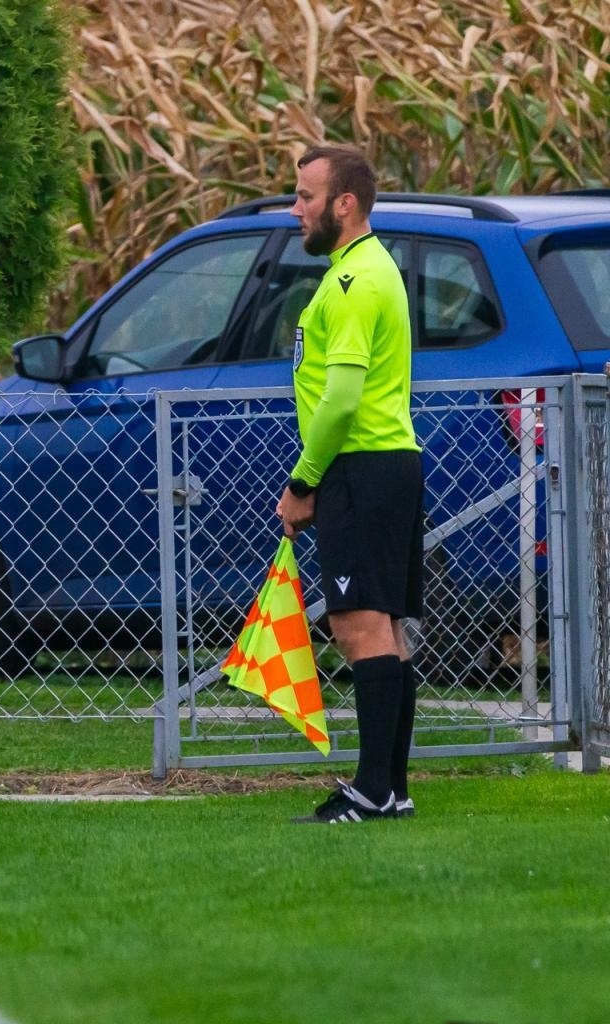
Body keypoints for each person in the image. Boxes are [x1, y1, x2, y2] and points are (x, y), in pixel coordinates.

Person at [276, 144, 422, 823]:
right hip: (382, 465)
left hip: (361, 466)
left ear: (345, 204)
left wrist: (303, 481)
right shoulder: (358, 270)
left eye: (305, 196)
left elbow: (340, 401)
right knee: (382, 627)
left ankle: (368, 791)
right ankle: (389, 790)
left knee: (359, 626)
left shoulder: (354, 281)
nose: (294, 209)